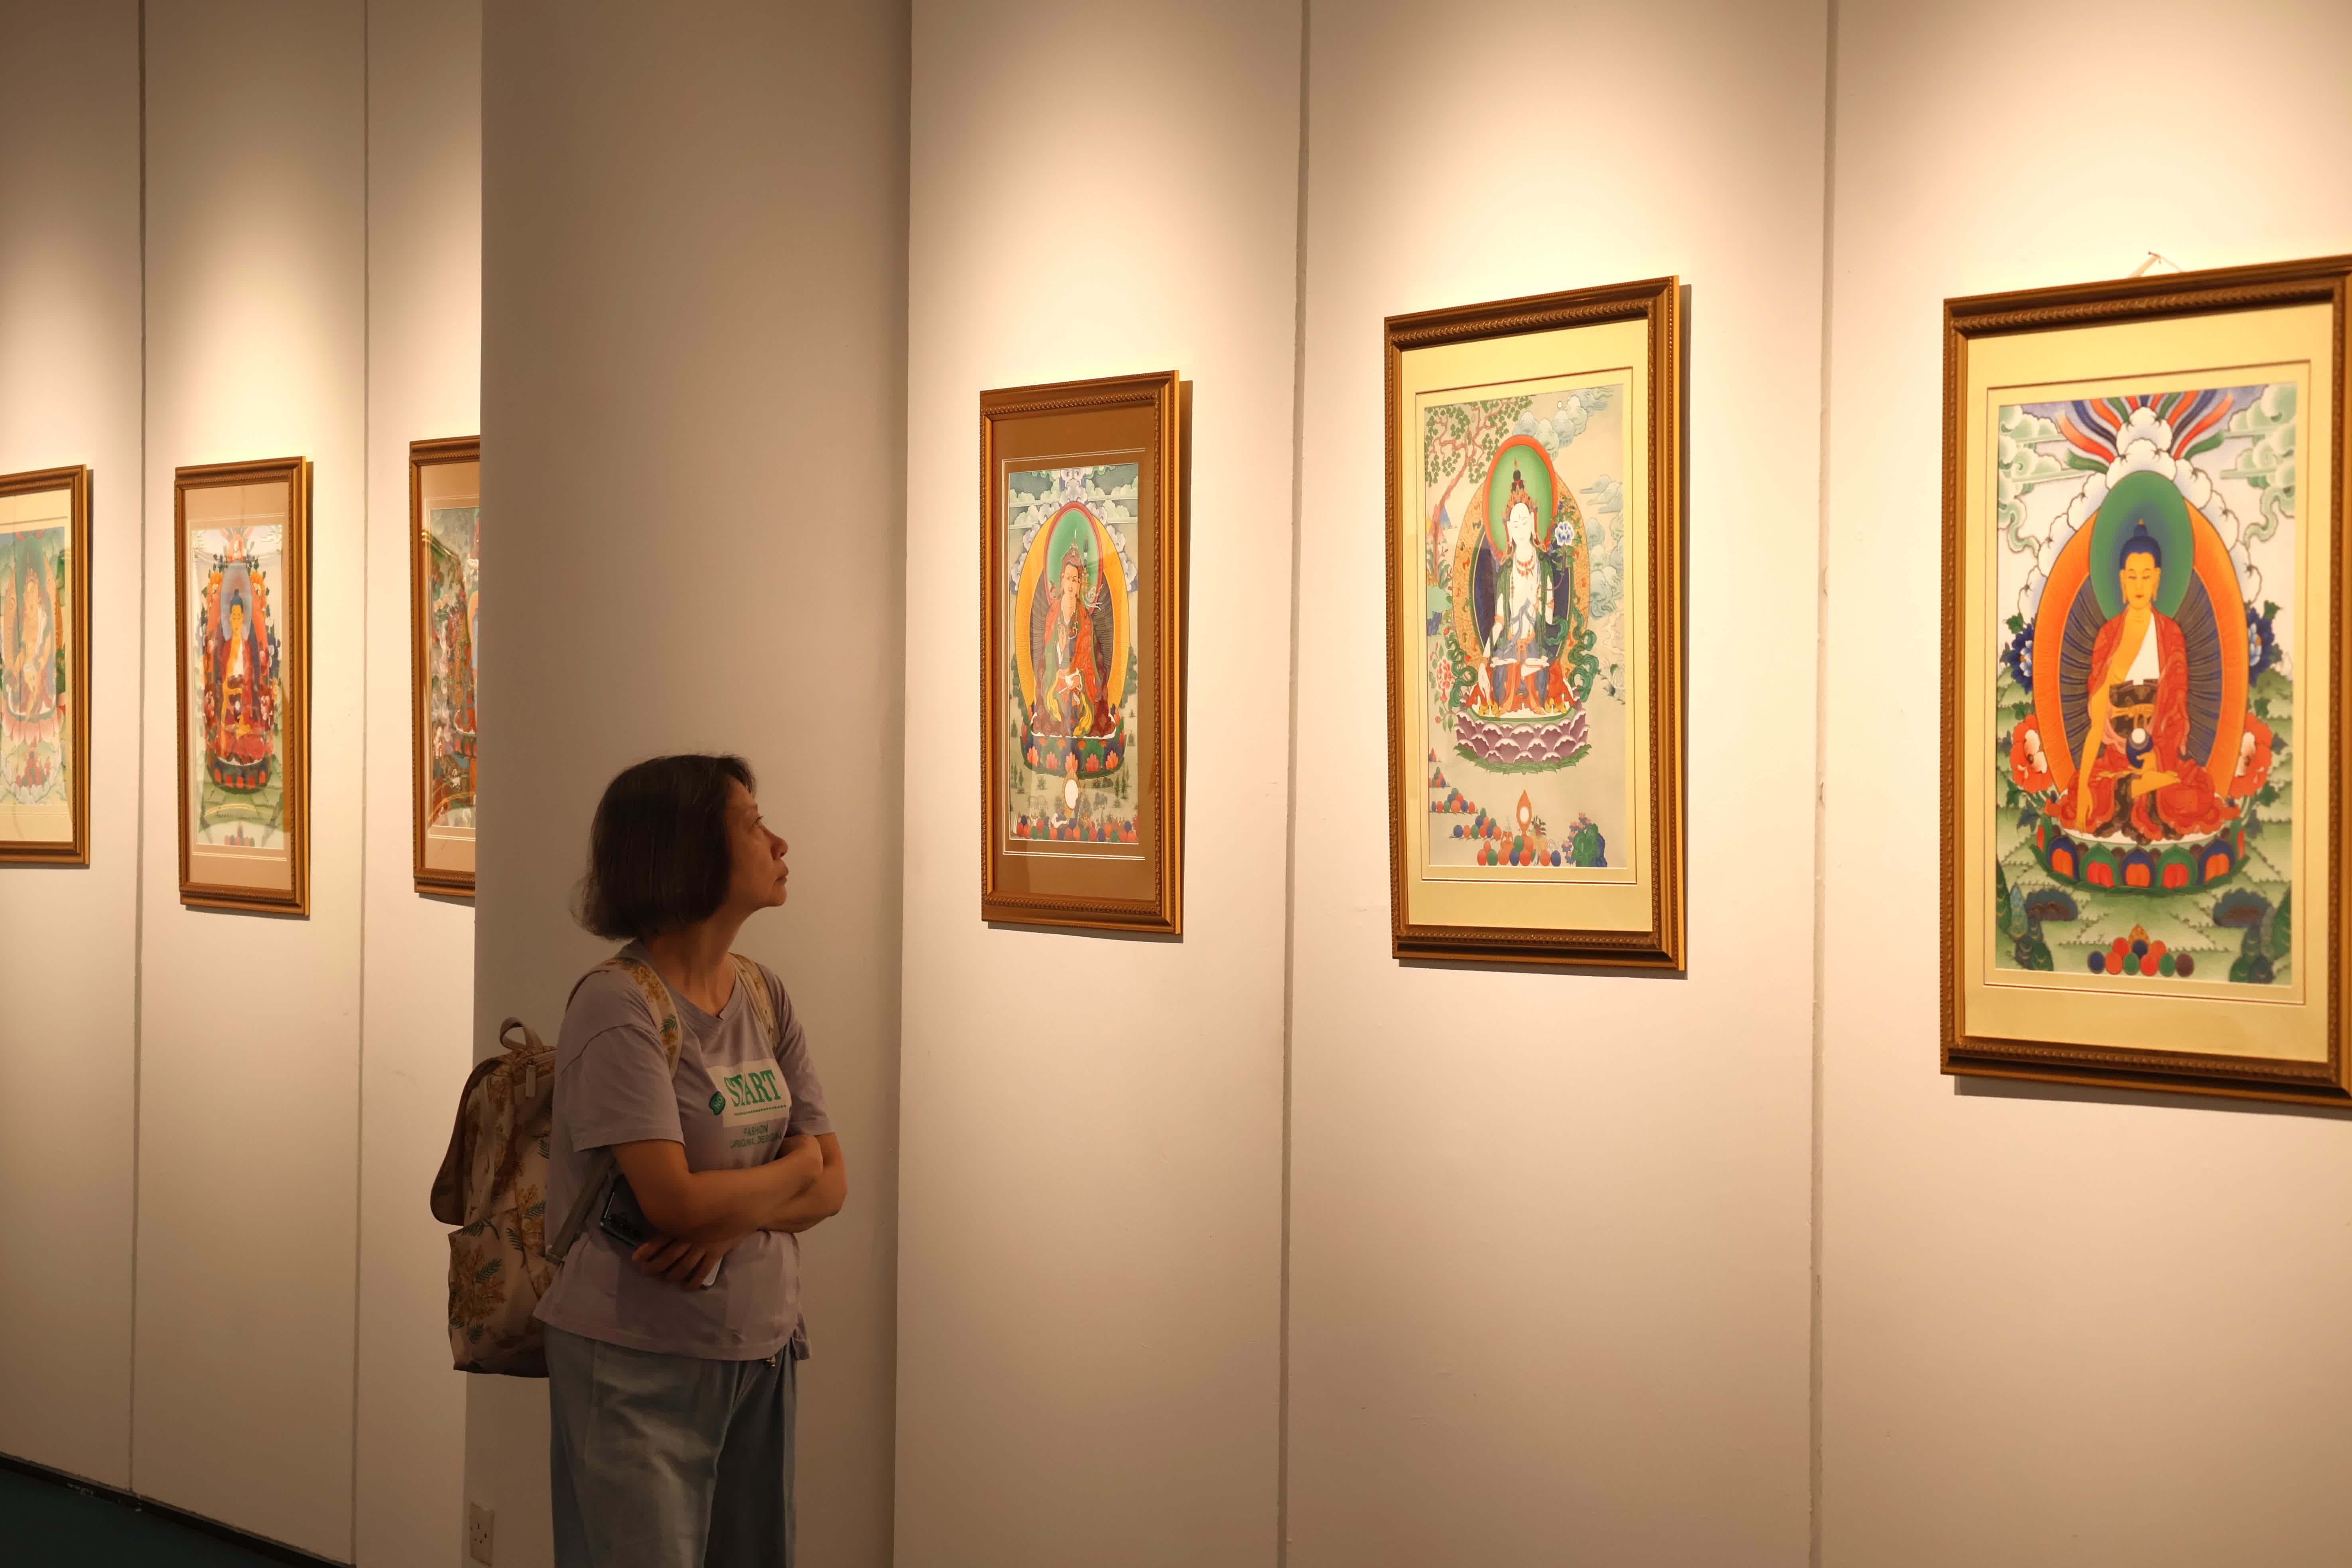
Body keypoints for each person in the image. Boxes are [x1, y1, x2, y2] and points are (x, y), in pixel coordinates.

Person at [535, 753, 847, 1568]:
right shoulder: (617, 1004)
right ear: (688, 852)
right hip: (637, 1362)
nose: (778, 842)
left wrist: (731, 1217)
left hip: (762, 1350)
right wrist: (792, 1170)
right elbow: (673, 1203)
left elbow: (836, 1183)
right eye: (752, 824)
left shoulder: (762, 993)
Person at [2069, 528, 2228, 840]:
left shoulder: (2170, 637)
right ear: (2122, 581)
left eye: (2146, 576)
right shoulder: (2107, 638)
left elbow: (2176, 714)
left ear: (2157, 580)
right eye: (2132, 577)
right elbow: (2097, 724)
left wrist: (2157, 759)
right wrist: (2086, 783)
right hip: (2117, 761)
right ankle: (2136, 790)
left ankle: (2138, 790)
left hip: (2160, 758)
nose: (2139, 585)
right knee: (2084, 793)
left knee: (2195, 794)